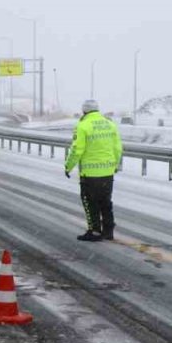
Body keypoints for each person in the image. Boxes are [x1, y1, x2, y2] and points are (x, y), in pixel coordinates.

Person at [64, 99, 123, 241]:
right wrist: (115, 165)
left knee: (90, 203)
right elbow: (118, 148)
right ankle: (108, 231)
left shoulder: (83, 126)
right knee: (106, 202)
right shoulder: (110, 124)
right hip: (107, 172)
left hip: (90, 174)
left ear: (84, 111)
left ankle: (95, 231)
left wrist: (68, 166)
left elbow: (77, 150)